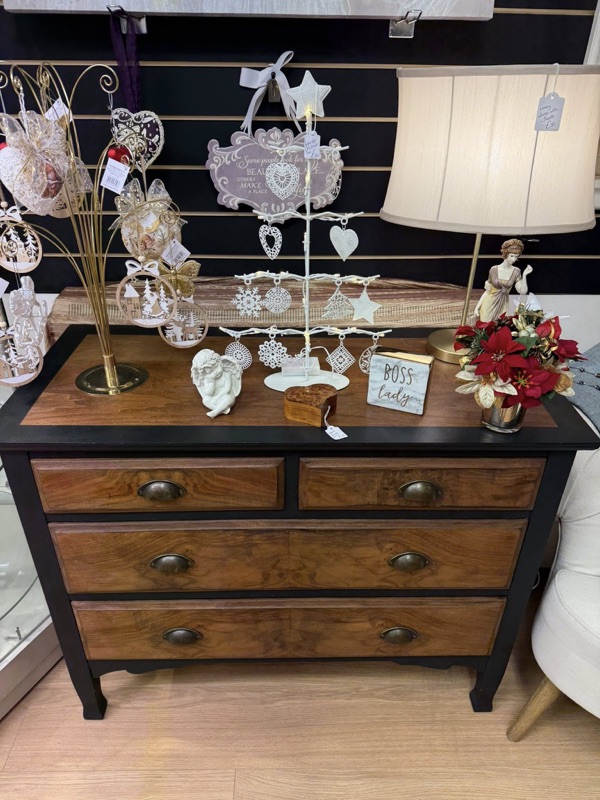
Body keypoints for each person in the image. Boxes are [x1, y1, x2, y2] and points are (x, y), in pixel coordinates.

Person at [473, 239, 533, 322]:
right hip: (488, 304)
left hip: (504, 306)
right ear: (505, 254)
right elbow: (487, 291)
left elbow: (523, 291)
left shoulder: (516, 271)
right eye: (511, 256)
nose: (514, 259)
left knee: (500, 326)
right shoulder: (494, 269)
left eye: (516, 257)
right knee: (485, 327)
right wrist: (477, 307)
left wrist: (525, 275)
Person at [191, 349, 242, 419]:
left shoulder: (226, 375)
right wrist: (212, 382)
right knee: (205, 400)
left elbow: (227, 389)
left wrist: (217, 398)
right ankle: (224, 409)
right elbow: (208, 393)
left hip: (224, 396)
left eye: (216, 368)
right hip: (214, 399)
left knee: (229, 398)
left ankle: (215, 412)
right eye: (211, 371)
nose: (215, 372)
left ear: (219, 364)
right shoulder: (207, 378)